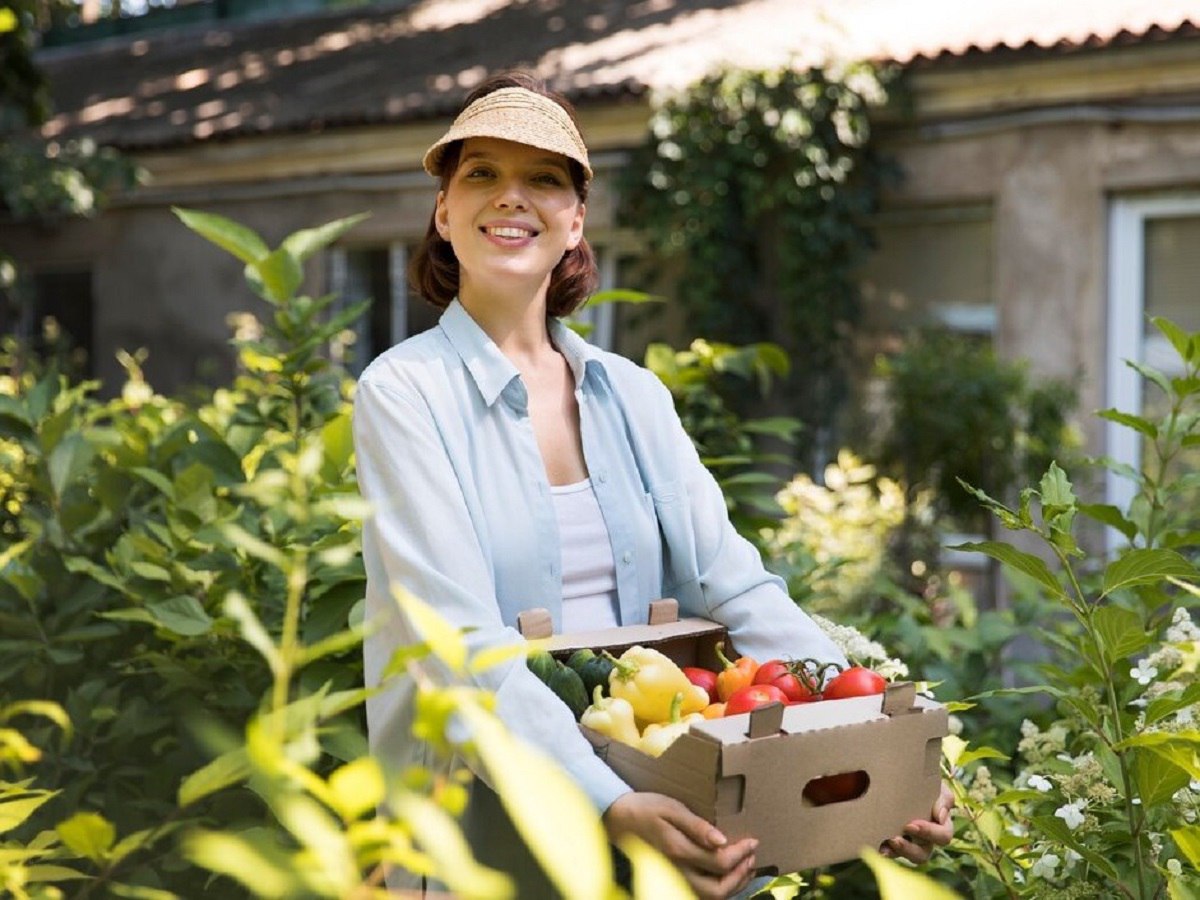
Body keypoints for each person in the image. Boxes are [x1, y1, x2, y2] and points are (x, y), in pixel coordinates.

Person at [353, 70, 953, 899]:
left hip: (665, 811)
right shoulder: (404, 393)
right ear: (444, 213)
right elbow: (459, 649)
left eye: (543, 178)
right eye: (481, 173)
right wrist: (609, 800)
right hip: (484, 830)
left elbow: (736, 587)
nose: (510, 197)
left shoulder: (631, 395)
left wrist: (871, 751)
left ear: (575, 222)